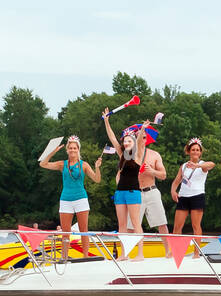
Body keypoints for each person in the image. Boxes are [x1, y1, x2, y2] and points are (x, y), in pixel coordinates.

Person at [38, 135, 101, 255]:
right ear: (67, 150)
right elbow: (43, 164)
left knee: (83, 230)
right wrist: (52, 152)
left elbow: (97, 180)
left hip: (81, 199)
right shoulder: (62, 164)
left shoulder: (84, 165)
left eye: (74, 148)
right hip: (66, 200)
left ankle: (85, 257)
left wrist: (97, 168)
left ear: (78, 150)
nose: (72, 150)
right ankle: (64, 257)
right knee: (65, 232)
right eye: (70, 148)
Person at [103, 108, 151, 260]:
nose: (126, 142)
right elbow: (112, 138)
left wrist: (142, 129)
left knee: (136, 223)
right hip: (120, 192)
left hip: (133, 192)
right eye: (125, 140)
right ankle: (124, 254)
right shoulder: (121, 154)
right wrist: (106, 121)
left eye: (129, 140)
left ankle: (140, 254)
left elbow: (138, 141)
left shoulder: (137, 154)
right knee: (122, 226)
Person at [171, 138, 213, 237]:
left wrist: (197, 165)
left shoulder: (202, 165)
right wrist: (173, 191)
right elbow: (177, 181)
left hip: (197, 197)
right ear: (189, 151)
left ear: (200, 152)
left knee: (196, 225)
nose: (195, 152)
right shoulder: (184, 166)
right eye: (193, 149)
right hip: (183, 197)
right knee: (177, 227)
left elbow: (212, 164)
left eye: (197, 150)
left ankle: (196, 252)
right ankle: (177, 252)